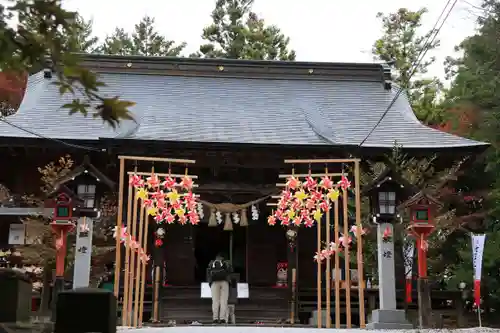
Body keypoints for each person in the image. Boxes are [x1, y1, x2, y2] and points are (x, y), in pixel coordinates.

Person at [207, 253, 232, 324]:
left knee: (215, 301)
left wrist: (210, 283)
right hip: (224, 282)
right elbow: (230, 271)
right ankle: (222, 319)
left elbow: (208, 272)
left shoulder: (211, 263)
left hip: (214, 283)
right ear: (222, 258)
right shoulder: (226, 262)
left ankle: (215, 318)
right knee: (223, 301)